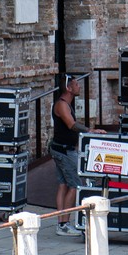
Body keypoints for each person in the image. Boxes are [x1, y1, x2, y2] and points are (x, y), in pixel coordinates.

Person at [51, 77, 90, 235]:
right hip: (64, 151)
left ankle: (61, 223)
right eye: (76, 84)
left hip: (61, 149)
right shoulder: (61, 104)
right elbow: (71, 125)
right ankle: (64, 224)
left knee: (63, 184)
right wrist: (91, 131)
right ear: (68, 88)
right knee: (74, 185)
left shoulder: (66, 104)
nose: (79, 86)